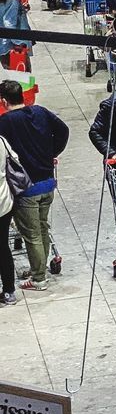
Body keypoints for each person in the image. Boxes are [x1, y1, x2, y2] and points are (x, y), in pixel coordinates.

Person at [0, 79, 69, 294]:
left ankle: (39, 278)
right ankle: (38, 269)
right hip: (48, 182)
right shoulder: (40, 111)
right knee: (42, 228)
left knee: (32, 234)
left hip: (26, 188)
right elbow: (63, 130)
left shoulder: (5, 122)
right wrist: (52, 153)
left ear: (3, 101)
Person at [0, 129, 20, 305]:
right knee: (3, 247)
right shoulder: (1, 141)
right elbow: (15, 160)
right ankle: (8, 292)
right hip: (4, 202)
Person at [0, 0, 32, 71]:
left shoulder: (3, 0)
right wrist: (18, 43)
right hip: (14, 46)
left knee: (9, 74)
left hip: (3, 46)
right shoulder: (12, 0)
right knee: (23, 77)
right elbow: (9, 22)